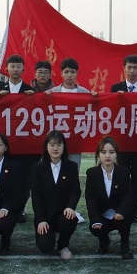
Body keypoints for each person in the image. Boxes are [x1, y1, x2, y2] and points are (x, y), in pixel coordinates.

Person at [47, 57, 93, 223]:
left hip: (75, 143)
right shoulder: (52, 92)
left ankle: (72, 209)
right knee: (54, 177)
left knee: (72, 177)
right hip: (56, 144)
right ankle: (52, 209)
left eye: (72, 72)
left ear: (76, 73)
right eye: (66, 72)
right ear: (61, 74)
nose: (69, 75)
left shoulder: (84, 92)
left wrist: (95, 97)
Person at [110, 54, 137, 223]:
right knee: (121, 177)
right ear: (124, 69)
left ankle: (134, 211)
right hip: (121, 142)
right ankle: (121, 209)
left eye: (135, 68)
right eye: (129, 67)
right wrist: (117, 99)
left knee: (136, 178)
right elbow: (110, 111)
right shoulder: (115, 88)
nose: (132, 71)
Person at [30, 130, 81, 259]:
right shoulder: (38, 168)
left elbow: (75, 190)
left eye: (59, 145)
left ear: (64, 147)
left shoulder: (71, 167)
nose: (55, 148)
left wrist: (70, 207)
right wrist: (41, 219)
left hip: (63, 213)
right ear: (46, 147)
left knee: (71, 218)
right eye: (52, 145)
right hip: (46, 215)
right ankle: (49, 235)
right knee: (45, 246)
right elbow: (36, 196)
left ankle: (63, 245)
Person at [0, 54, 35, 223]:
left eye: (18, 66)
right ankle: (4, 207)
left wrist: (33, 97)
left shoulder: (30, 90)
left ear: (23, 69)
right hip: (4, 144)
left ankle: (20, 208)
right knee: (5, 177)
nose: (15, 69)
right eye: (12, 66)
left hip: (25, 145)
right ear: (7, 69)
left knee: (24, 179)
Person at [85, 136, 135, 259]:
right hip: (102, 214)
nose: (107, 156)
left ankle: (125, 244)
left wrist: (121, 211)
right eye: (103, 152)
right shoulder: (92, 173)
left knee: (128, 216)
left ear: (116, 154)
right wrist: (95, 219)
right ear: (98, 154)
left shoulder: (123, 172)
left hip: (119, 214)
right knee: (96, 228)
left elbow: (128, 194)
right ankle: (103, 241)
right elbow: (90, 198)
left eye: (111, 152)